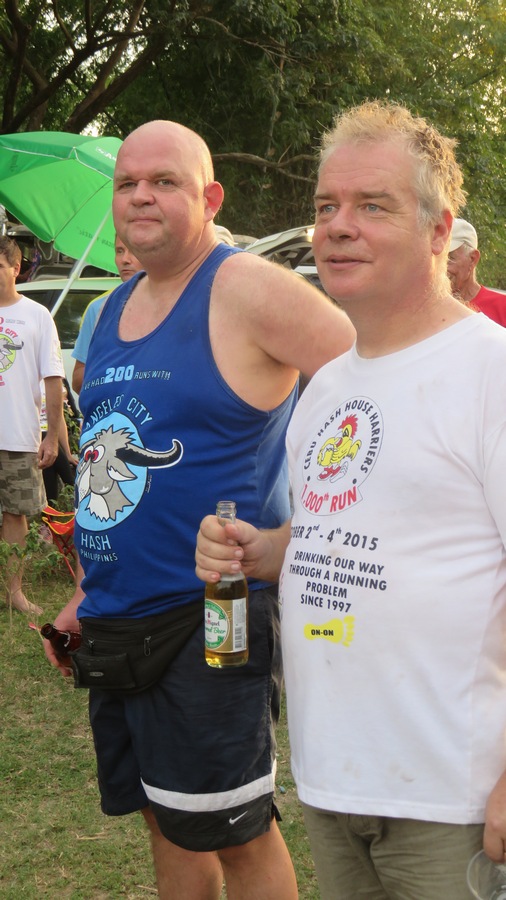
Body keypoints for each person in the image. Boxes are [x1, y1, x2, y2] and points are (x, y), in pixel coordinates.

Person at [196, 100, 506, 899]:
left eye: (373, 206)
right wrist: (261, 551)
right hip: (334, 781)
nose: (337, 226)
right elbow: (338, 531)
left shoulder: (490, 372)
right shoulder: (329, 386)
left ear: (439, 232)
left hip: (453, 794)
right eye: (326, 205)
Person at [45, 119, 356, 899]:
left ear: (210, 198)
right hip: (118, 616)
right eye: (127, 183)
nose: (140, 196)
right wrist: (85, 591)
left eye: (165, 182)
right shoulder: (111, 311)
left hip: (211, 614)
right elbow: (107, 458)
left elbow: (372, 391)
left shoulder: (244, 287)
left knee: (235, 830)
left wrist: (306, 529)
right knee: (164, 816)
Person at [0, 235, 64, 615]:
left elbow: (54, 380)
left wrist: (52, 437)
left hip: (18, 436)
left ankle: (14, 592)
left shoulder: (37, 316)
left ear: (16, 268)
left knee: (15, 514)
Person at [71, 236, 143, 394]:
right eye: (119, 251)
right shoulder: (99, 308)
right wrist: (112, 371)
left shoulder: (173, 304)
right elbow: (77, 380)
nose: (125, 259)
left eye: (133, 250)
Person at [447, 217, 506, 326]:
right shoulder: (423, 310)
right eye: (435, 259)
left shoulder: (502, 308)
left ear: (472, 259)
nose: (440, 268)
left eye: (449, 258)